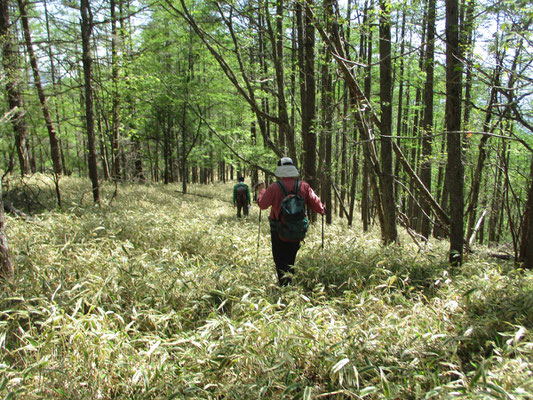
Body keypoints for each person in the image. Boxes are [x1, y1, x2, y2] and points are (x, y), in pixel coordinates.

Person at [257, 157, 325, 286]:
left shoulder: (274, 188)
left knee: (280, 260)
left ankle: (285, 287)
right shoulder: (304, 186)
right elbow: (317, 204)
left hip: (278, 230)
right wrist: (323, 209)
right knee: (290, 259)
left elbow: (263, 205)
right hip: (297, 231)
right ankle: (289, 283)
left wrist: (261, 192)